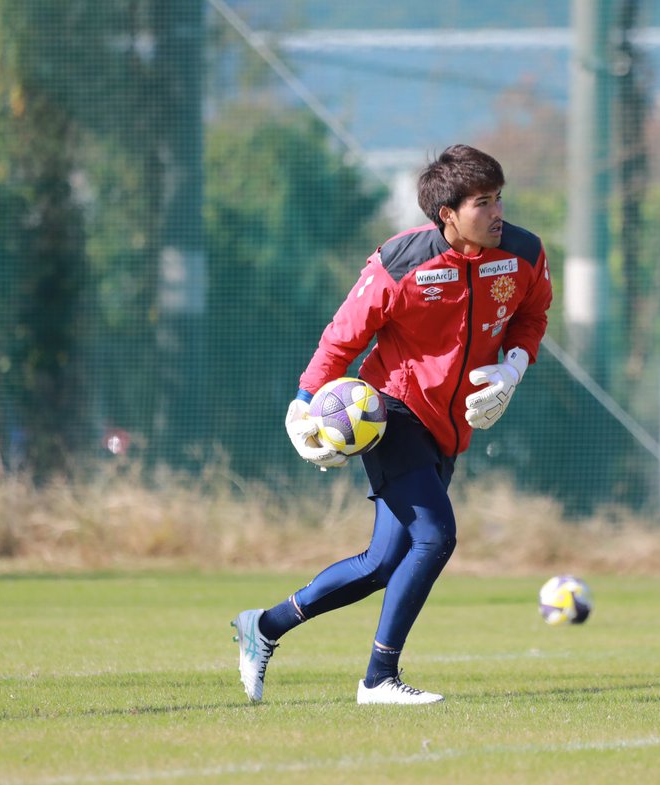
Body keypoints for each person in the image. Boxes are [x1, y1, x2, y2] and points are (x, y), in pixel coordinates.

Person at [231, 144, 552, 705]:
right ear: (446, 213)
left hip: (453, 426)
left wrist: (513, 367)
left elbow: (532, 315)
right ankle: (378, 679)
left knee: (384, 563)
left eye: (499, 197)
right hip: (393, 412)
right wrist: (304, 402)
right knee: (435, 537)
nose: (498, 211)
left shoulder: (524, 252)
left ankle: (264, 626)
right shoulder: (401, 262)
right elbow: (342, 337)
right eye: (483, 202)